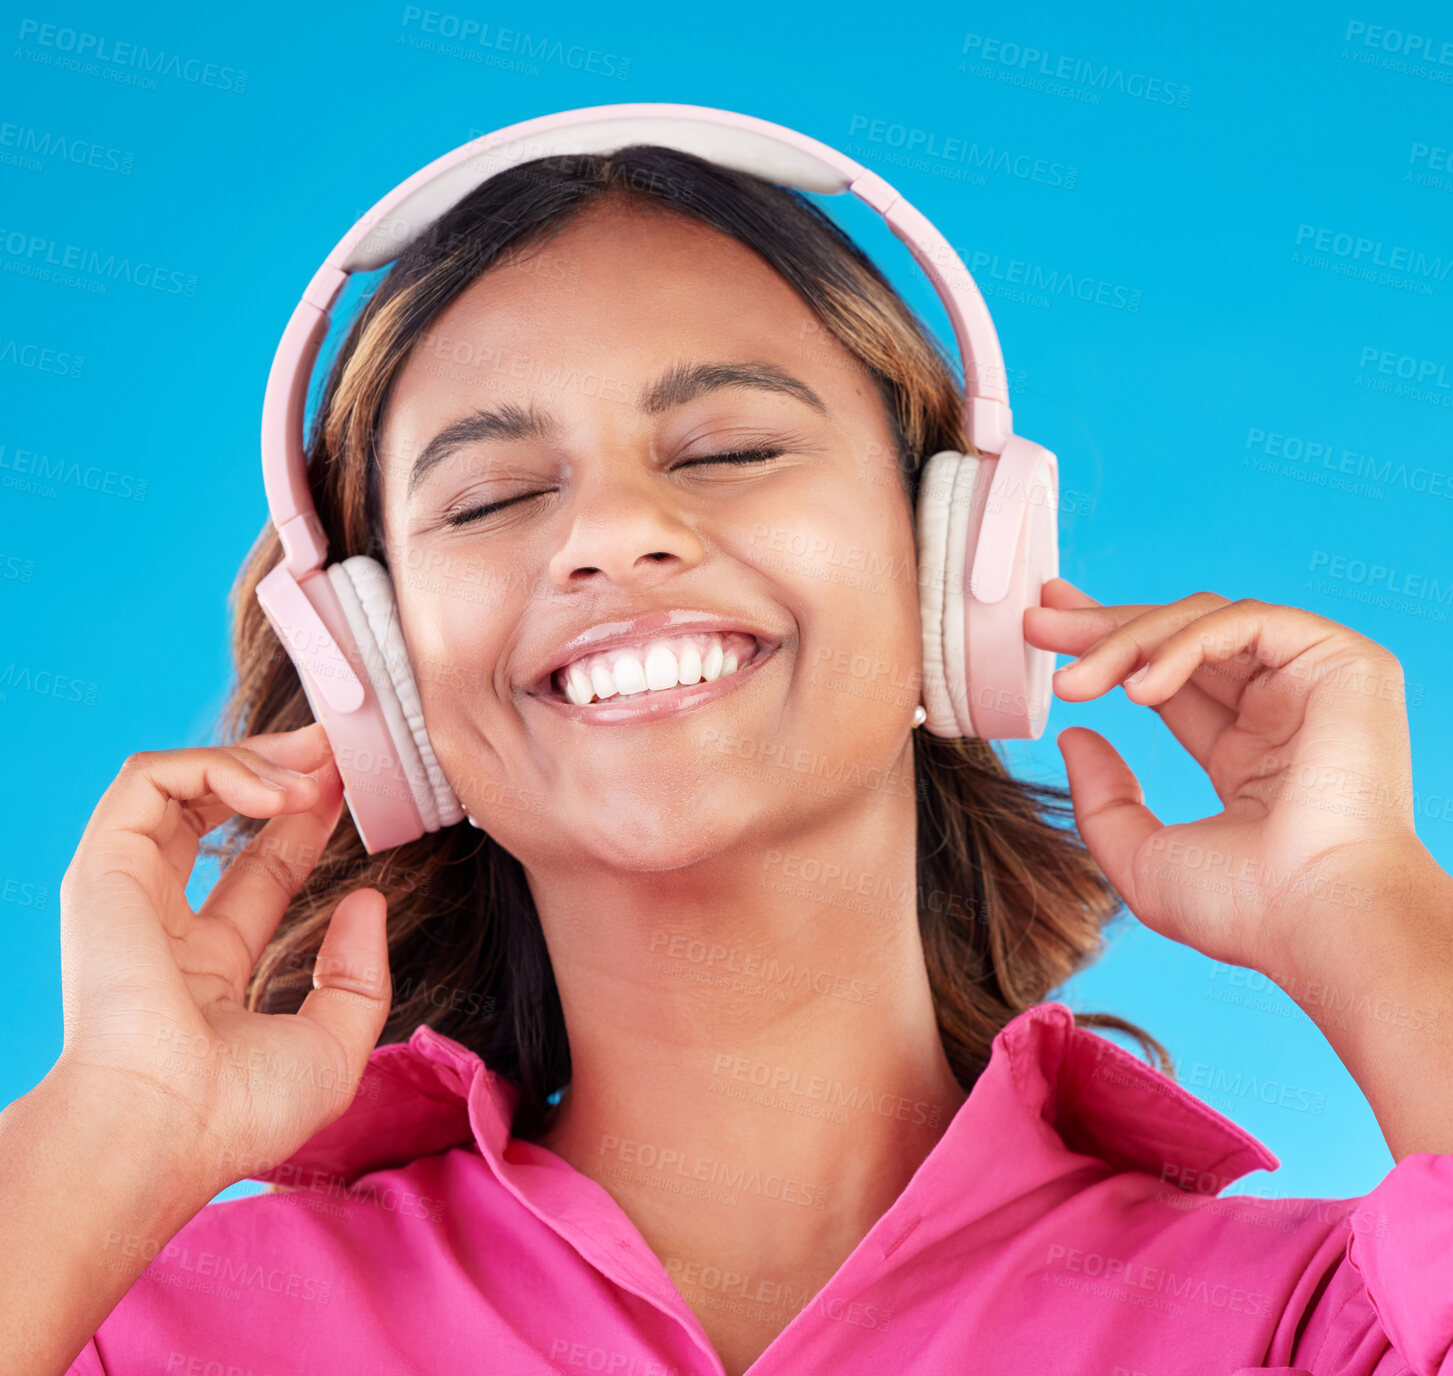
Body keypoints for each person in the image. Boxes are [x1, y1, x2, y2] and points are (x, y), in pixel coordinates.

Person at [4, 144, 1451, 1376]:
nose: (610, 534)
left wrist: (1364, 909)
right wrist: (111, 1124)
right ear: (378, 674)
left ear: (951, 575)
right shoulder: (158, 1327)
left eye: (725, 451)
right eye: (495, 493)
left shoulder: (1298, 1324)